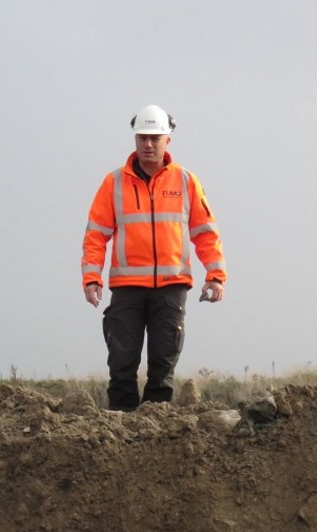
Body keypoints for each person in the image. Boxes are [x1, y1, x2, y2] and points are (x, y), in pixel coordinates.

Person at [81, 104, 227, 411]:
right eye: (142, 138)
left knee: (162, 368)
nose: (148, 144)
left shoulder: (186, 181)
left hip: (171, 288)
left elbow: (205, 232)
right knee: (122, 365)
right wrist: (91, 278)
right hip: (127, 289)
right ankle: (119, 433)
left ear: (167, 141)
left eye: (155, 138)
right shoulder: (114, 183)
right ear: (135, 140)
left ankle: (156, 436)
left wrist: (215, 276)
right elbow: (96, 235)